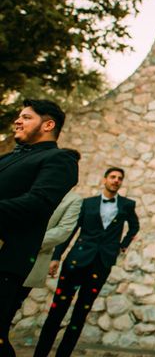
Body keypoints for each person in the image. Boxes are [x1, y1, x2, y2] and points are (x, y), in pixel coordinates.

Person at [0, 99, 79, 357]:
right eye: (18, 116)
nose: (17, 121)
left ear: (48, 124)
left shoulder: (59, 159)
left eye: (26, 117)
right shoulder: (7, 158)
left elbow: (37, 204)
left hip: (5, 260)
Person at [34, 167, 140, 357]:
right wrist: (57, 257)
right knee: (57, 310)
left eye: (120, 178)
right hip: (76, 261)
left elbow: (135, 226)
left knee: (81, 312)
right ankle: (40, 354)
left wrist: (122, 245)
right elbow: (70, 232)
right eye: (113, 177)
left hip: (101, 264)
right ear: (105, 180)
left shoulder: (127, 205)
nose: (116, 180)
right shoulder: (86, 204)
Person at [9, 187, 83, 327]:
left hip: (34, 260)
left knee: (10, 309)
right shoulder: (28, 186)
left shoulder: (73, 200)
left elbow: (64, 230)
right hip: (7, 253)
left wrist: (28, 241)